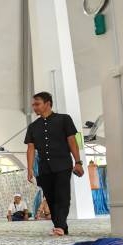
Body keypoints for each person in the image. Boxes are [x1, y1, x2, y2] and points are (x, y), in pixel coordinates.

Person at [24, 92, 84, 236]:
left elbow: (72, 141)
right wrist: (30, 168)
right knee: (50, 198)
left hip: (63, 164)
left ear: (48, 103)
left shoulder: (64, 119)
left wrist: (78, 162)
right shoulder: (33, 126)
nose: (34, 107)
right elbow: (30, 148)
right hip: (44, 168)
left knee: (62, 196)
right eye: (33, 104)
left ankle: (60, 227)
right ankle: (61, 226)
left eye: (37, 104)